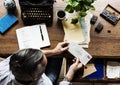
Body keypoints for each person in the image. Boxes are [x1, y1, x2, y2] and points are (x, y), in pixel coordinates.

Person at [0, 41, 83, 85]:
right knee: (58, 58)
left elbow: (36, 54)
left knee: (57, 55)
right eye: (44, 65)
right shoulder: (46, 83)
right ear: (35, 77)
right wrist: (71, 72)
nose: (44, 55)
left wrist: (54, 51)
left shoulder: (6, 65)